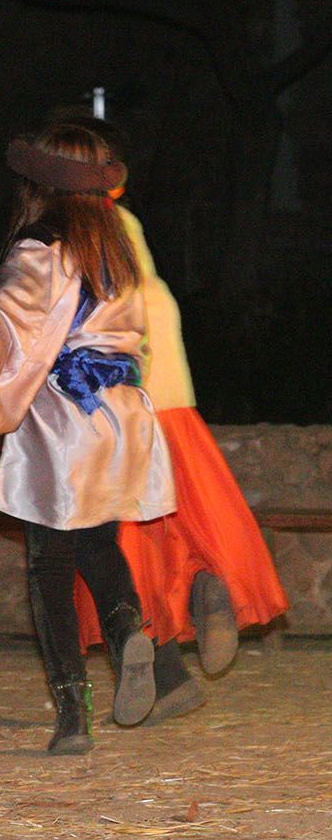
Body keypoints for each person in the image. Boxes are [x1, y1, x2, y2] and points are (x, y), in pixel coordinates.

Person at [0, 122, 175, 754]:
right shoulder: (117, 252)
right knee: (99, 546)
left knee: (49, 565)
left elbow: (5, 326)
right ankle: (129, 634)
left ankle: (73, 715)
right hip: (123, 414)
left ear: (38, 184)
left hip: (65, 419)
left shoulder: (40, 249)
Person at [66, 119, 288, 719]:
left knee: (121, 546)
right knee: (179, 516)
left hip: (117, 398)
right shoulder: (123, 222)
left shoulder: (71, 232)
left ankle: (164, 666)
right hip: (167, 395)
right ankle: (201, 588)